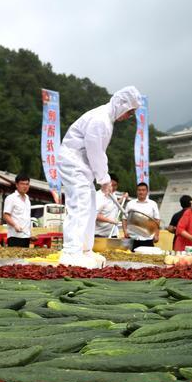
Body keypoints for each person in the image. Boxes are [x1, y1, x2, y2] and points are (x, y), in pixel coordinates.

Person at [56, 86, 142, 267]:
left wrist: (103, 178)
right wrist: (104, 179)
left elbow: (97, 153)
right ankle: (71, 252)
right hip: (73, 163)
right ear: (122, 104)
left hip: (82, 166)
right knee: (79, 205)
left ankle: (84, 250)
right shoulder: (101, 119)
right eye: (130, 112)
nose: (129, 117)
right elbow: (95, 152)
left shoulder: (106, 119)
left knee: (89, 205)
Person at [123, 182, 161, 250]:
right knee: (130, 259)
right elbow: (124, 219)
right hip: (132, 238)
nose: (141, 192)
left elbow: (157, 220)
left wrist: (156, 235)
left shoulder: (153, 204)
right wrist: (125, 231)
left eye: (143, 190)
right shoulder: (130, 204)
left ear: (147, 192)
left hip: (147, 238)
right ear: (136, 191)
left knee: (147, 259)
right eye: (139, 190)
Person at [3, 174, 32, 247]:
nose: (25, 186)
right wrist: (15, 225)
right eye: (22, 184)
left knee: (25, 258)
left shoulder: (28, 199)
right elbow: (6, 215)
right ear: (16, 185)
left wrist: (30, 234)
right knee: (15, 258)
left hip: (26, 237)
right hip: (14, 236)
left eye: (27, 184)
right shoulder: (11, 198)